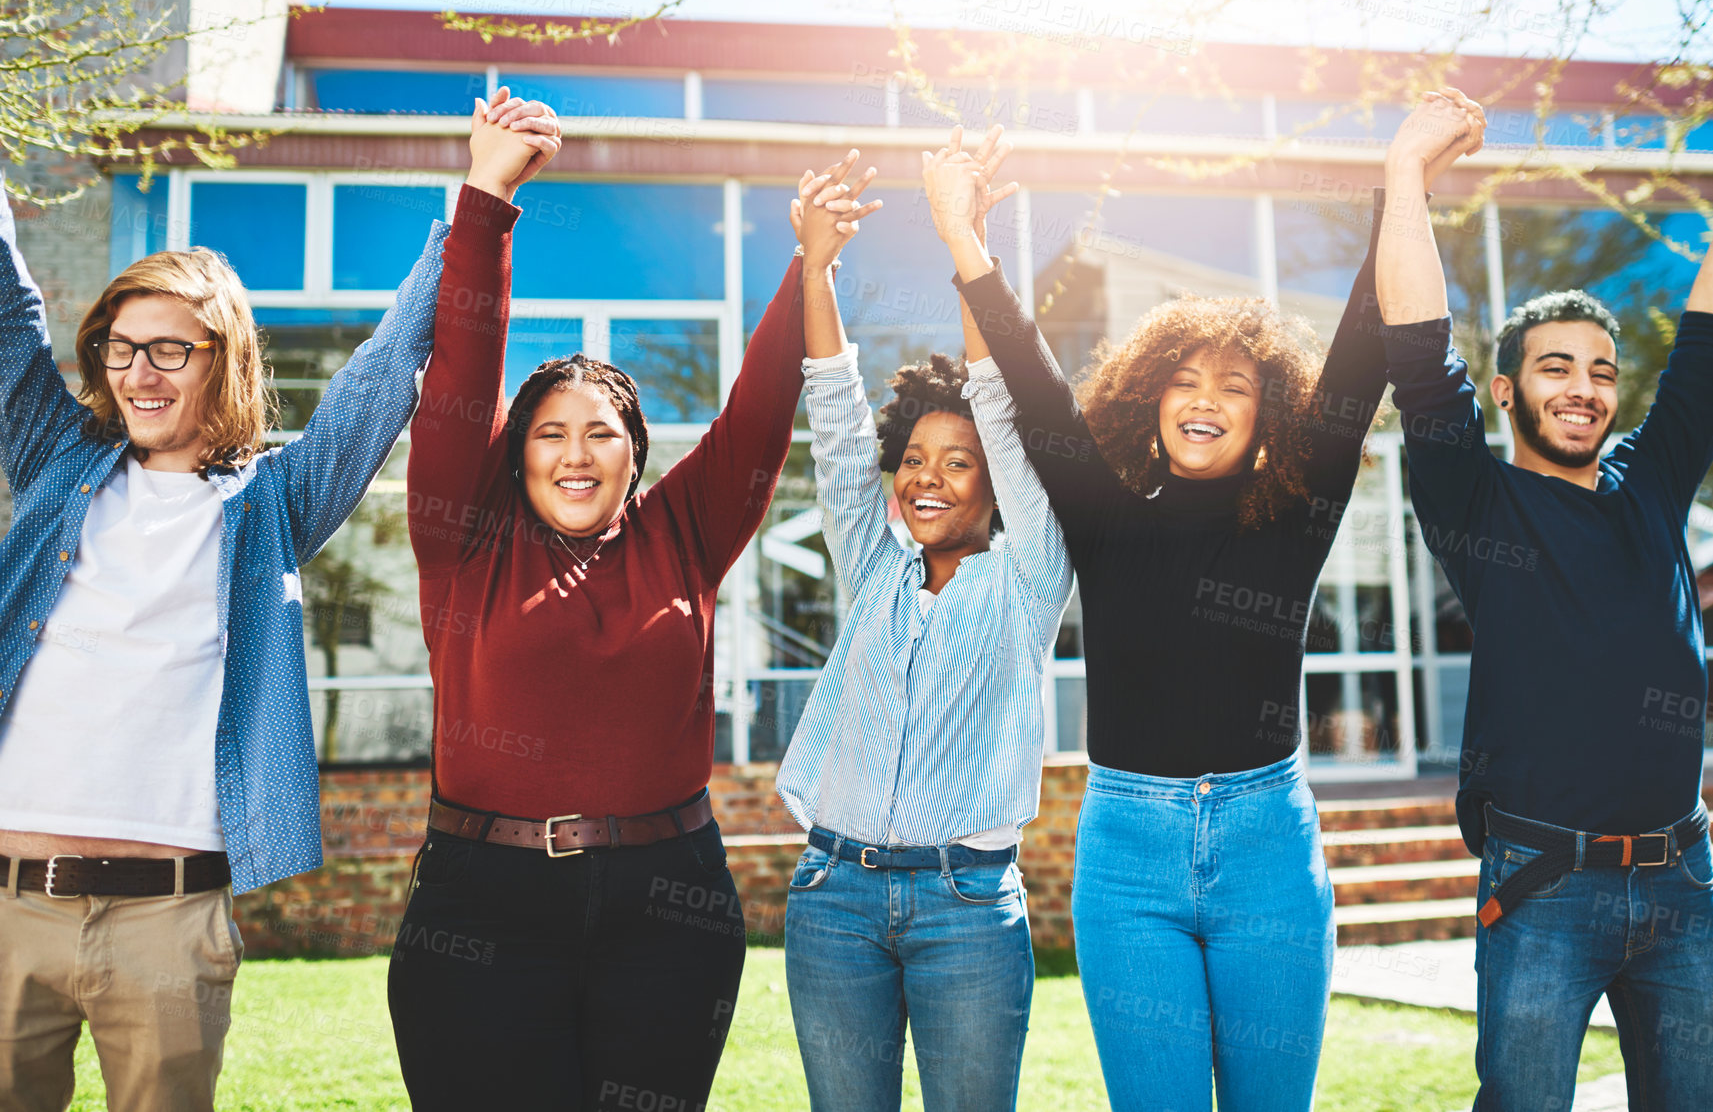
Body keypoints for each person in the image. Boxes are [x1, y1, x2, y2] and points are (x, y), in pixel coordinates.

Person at [0, 91, 559, 1110]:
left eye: (171, 347)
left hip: (166, 923)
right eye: (123, 347)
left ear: (225, 359)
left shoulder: (269, 502)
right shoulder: (53, 461)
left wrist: (482, 192)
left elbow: (388, 370)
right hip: (6, 909)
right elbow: (5, 307)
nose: (141, 371)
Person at [945, 119, 1462, 1109]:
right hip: (1127, 857)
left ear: (1269, 413)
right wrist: (966, 242)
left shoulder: (1299, 515)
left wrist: (1403, 185)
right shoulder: (1101, 513)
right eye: (1184, 379)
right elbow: (1036, 382)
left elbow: (1360, 351)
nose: (1205, 397)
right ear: (1150, 399)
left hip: (1267, 844)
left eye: (1235, 384)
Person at [387, 101, 877, 1104]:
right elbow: (461, 377)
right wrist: (488, 196)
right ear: (514, 455)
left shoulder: (681, 536)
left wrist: (810, 262)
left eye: (602, 432)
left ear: (636, 453)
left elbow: (756, 413)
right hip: (483, 904)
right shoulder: (463, 540)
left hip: (667, 904)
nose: (576, 451)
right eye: (550, 433)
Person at [1376, 88, 1713, 1111]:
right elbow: (1419, 360)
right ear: (1509, 389)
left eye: (1603, 371)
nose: (1584, 386)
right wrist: (1404, 175)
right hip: (1542, 886)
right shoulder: (1479, 497)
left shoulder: (1651, 484)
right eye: (1556, 366)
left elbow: (1703, 343)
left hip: (1684, 881)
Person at [774, 141, 1072, 1111]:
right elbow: (834, 419)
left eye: (957, 461)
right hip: (835, 896)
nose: (924, 477)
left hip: (967, 906)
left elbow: (997, 396)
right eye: (913, 458)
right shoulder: (876, 567)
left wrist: (964, 240)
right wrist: (816, 267)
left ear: (995, 478)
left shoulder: (1025, 579)